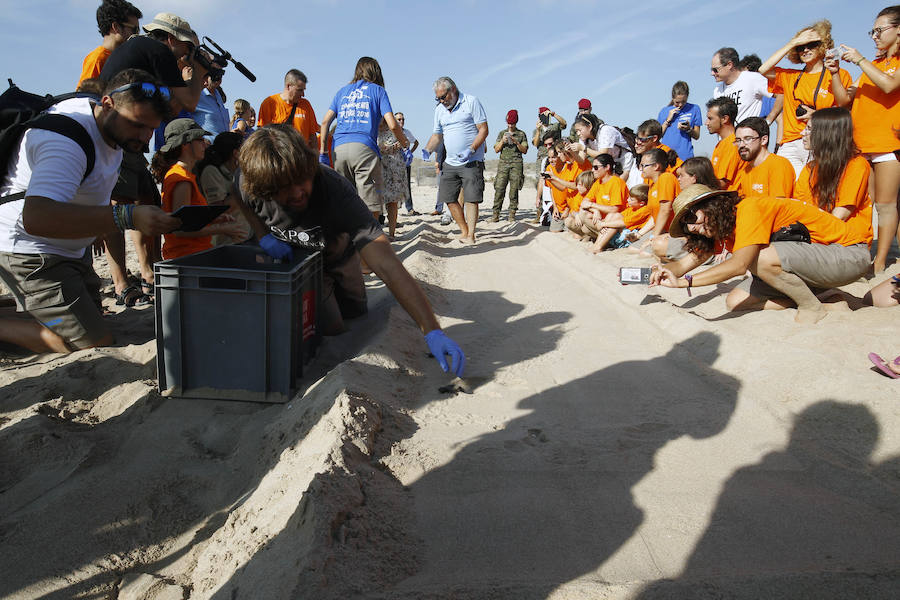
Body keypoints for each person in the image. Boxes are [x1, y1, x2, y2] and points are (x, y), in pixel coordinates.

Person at [234, 125, 465, 376]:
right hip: (299, 263)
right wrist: (263, 235)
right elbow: (237, 191)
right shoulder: (248, 182)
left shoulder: (334, 189)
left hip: (338, 253)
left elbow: (386, 264)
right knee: (331, 325)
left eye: (302, 179)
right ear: (264, 187)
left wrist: (432, 331)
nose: (298, 192)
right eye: (284, 188)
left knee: (355, 312)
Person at [0, 69, 179, 354]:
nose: (145, 138)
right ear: (107, 103)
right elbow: (36, 218)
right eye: (138, 125)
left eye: (152, 128)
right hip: (33, 252)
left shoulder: (113, 127)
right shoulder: (65, 142)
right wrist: (127, 216)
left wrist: (90, 226)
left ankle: (28, 309)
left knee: (91, 317)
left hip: (69, 251)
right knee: (85, 341)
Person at [651, 183, 871, 324]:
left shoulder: (749, 209)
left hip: (849, 254)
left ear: (711, 205)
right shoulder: (722, 227)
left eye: (690, 217)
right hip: (818, 261)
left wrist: (684, 283)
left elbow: (738, 265)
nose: (691, 227)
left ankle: (811, 306)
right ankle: (828, 302)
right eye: (685, 225)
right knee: (736, 302)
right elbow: (684, 264)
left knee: (759, 258)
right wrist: (661, 272)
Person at [839, 5, 900, 273]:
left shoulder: (885, 64)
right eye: (872, 31)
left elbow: (889, 85)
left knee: (886, 205)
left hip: (888, 143)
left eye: (879, 30)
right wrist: (833, 73)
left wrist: (859, 59)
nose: (874, 35)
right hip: (862, 145)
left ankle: (879, 262)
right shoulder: (873, 65)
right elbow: (845, 100)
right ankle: (866, 254)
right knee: (870, 204)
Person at [318, 57, 409, 225]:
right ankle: (370, 242)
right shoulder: (378, 91)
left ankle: (350, 244)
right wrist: (405, 144)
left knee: (345, 200)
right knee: (370, 204)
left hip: (338, 149)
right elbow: (392, 123)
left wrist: (323, 152)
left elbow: (325, 122)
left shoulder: (342, 92)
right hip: (364, 149)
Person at [759, 19, 853, 176]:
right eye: (801, 47)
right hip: (789, 143)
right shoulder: (790, 76)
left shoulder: (839, 75)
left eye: (812, 45)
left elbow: (843, 111)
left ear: (823, 45)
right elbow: (763, 69)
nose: (805, 49)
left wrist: (815, 116)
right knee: (789, 192)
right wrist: (792, 43)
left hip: (821, 141)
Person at [151, 118, 244, 259]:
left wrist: (213, 219)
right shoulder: (182, 180)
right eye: (200, 139)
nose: (205, 145)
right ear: (186, 144)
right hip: (187, 257)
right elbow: (180, 230)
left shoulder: (184, 175)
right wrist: (222, 228)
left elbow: (189, 220)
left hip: (194, 255)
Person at [99, 12, 208, 113]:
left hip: (106, 109)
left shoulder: (140, 47)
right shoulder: (161, 51)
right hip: (115, 114)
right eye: (188, 46)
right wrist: (199, 71)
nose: (188, 52)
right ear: (171, 39)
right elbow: (190, 103)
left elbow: (172, 110)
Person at [795, 108, 873, 248]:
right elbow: (802, 211)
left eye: (809, 129)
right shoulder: (809, 168)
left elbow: (840, 216)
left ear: (826, 134)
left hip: (849, 245)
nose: (802, 133)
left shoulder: (857, 165)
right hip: (818, 239)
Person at [424, 76, 489, 244]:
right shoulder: (439, 110)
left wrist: (471, 149)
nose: (440, 101)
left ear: (452, 90)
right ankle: (464, 230)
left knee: (471, 198)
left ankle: (471, 235)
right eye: (437, 98)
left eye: (443, 97)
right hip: (450, 162)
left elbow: (483, 130)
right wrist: (427, 149)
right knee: (448, 198)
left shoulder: (471, 102)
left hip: (471, 160)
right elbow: (437, 135)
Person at [195, 131, 250, 246]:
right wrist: (245, 184)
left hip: (247, 238)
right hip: (227, 243)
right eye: (245, 149)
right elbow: (219, 210)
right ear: (236, 153)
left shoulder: (238, 173)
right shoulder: (211, 172)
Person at [77, 0, 142, 87]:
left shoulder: (121, 58)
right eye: (134, 29)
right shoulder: (98, 58)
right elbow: (86, 96)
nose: (137, 34)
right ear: (116, 27)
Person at [734, 117, 795, 198]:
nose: (741, 145)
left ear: (764, 140)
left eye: (747, 139)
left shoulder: (778, 165)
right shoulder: (745, 171)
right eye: (738, 140)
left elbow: (778, 206)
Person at [257, 69, 318, 148]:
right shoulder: (269, 103)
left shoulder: (306, 105)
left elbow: (313, 136)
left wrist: (315, 156)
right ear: (288, 86)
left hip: (302, 156)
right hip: (279, 155)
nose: (303, 94)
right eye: (299, 90)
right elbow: (261, 135)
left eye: (304, 90)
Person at [711, 47, 774, 123]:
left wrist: (768, 120)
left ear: (729, 65)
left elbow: (781, 94)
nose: (712, 73)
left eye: (715, 70)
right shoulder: (717, 90)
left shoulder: (752, 78)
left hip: (749, 133)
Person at [589, 184, 652, 253]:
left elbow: (624, 222)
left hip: (631, 237)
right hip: (623, 233)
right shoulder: (632, 208)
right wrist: (604, 224)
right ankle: (597, 244)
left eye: (631, 199)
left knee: (616, 217)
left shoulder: (645, 209)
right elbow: (615, 217)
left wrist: (603, 224)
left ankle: (599, 246)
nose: (628, 200)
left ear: (641, 203)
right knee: (611, 215)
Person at [491, 109, 528, 222]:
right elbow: (496, 149)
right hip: (503, 164)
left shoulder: (521, 134)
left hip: (516, 164)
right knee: (499, 189)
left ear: (516, 122)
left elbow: (525, 150)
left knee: (514, 190)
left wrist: (516, 142)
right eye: (509, 123)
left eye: (512, 123)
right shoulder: (502, 133)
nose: (510, 125)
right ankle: (495, 214)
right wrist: (502, 141)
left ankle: (512, 214)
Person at [531, 107, 566, 222]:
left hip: (556, 157)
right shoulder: (537, 129)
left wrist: (554, 114)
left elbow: (564, 123)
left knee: (556, 182)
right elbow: (536, 144)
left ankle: (558, 208)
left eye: (545, 115)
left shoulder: (555, 127)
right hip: (542, 158)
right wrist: (538, 130)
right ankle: (540, 213)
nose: (544, 117)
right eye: (541, 115)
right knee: (540, 183)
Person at [377, 119, 408, 238]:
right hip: (377, 167)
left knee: (392, 201)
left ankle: (391, 233)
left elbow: (406, 142)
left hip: (394, 168)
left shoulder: (394, 127)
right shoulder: (371, 128)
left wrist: (399, 146)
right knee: (374, 200)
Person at [657, 81, 702, 160]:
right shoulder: (664, 111)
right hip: (666, 156)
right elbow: (658, 136)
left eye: (683, 101)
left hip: (685, 157)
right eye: (677, 102)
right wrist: (668, 120)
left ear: (687, 97)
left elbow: (697, 136)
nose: (680, 105)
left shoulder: (695, 109)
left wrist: (688, 129)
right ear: (673, 98)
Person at [705, 97, 742, 190]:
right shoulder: (721, 144)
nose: (706, 123)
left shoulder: (732, 144)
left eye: (710, 118)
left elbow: (721, 184)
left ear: (725, 119)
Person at [191, 69, 229, 141]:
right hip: (206, 148)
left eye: (221, 74)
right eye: (214, 75)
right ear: (205, 77)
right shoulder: (198, 94)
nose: (218, 78)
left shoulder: (218, 95)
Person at [394, 112, 420, 216]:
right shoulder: (391, 132)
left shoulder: (407, 132)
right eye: (399, 119)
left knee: (407, 186)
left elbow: (416, 142)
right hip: (394, 164)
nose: (401, 121)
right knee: (394, 187)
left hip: (405, 164)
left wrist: (410, 153)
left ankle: (410, 209)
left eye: (403, 119)